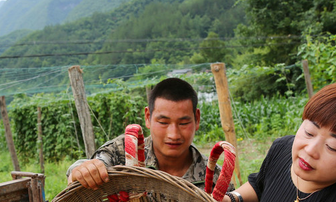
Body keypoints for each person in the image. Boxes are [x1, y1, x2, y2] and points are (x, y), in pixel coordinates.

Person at [67, 77, 223, 189]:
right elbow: (94, 163)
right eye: (163, 123)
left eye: (183, 123)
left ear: (197, 119)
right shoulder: (126, 153)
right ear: (148, 117)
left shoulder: (214, 179)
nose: (174, 135)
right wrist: (82, 170)